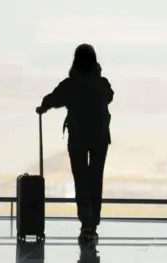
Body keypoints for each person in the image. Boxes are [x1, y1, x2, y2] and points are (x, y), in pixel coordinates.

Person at [36, 44, 114, 241]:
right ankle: (93, 221)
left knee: (81, 178)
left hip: (78, 137)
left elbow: (54, 98)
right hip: (99, 138)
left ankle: (86, 221)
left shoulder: (71, 84)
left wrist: (43, 107)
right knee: (96, 178)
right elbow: (110, 97)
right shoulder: (102, 83)